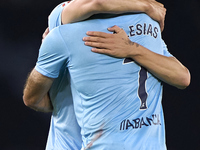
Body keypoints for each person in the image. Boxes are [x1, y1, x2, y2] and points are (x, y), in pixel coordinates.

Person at [23, 1, 190, 150]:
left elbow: (32, 99)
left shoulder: (62, 33)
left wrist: (132, 48)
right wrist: (145, 8)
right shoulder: (147, 24)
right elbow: (183, 78)